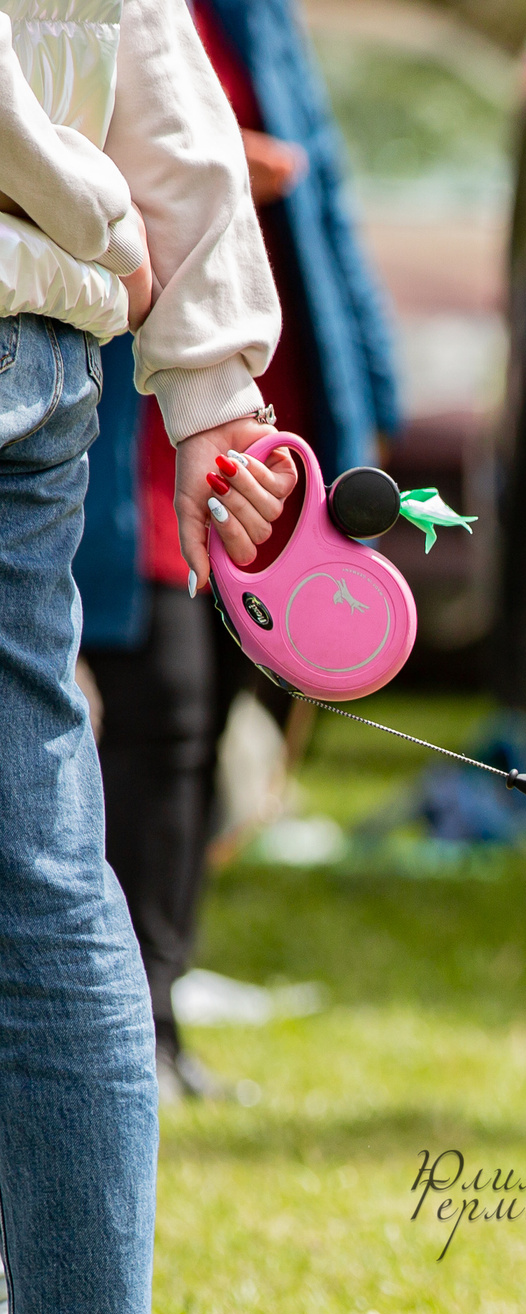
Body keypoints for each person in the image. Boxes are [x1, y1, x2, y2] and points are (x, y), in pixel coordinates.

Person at [0, 0, 294, 1314]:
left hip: (47, 285)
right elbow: (164, 89)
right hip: (45, 342)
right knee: (41, 842)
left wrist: (78, 197)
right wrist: (218, 395)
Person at [73, 0, 401, 1104]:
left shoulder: (258, 18)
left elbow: (331, 204)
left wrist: (373, 394)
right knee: (157, 709)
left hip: (248, 417)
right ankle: (121, 1025)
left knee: (215, 703)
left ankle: (159, 1015)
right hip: (129, 426)